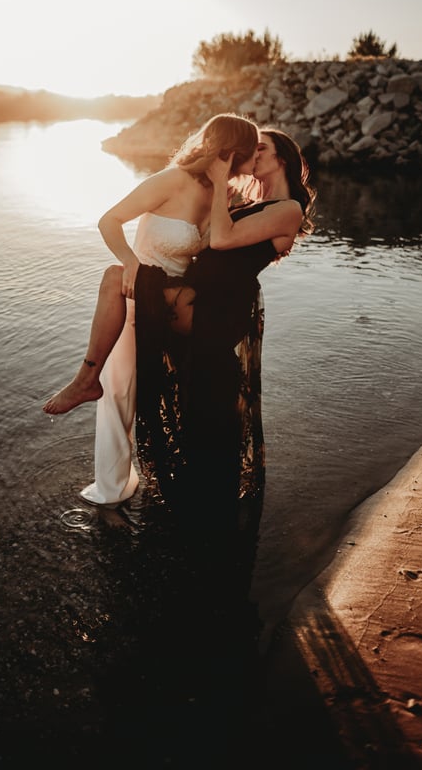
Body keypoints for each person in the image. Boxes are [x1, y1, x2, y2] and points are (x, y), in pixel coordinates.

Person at [42, 113, 261, 506]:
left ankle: (181, 478)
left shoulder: (224, 196)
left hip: (172, 303)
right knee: (118, 389)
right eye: (250, 152)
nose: (255, 160)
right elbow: (109, 221)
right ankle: (111, 490)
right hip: (133, 294)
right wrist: (129, 261)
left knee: (170, 394)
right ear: (232, 151)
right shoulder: (170, 180)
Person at [133, 127, 316, 524]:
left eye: (260, 150)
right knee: (197, 403)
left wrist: (218, 187)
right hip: (209, 310)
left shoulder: (288, 209)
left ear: (280, 158)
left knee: (210, 408)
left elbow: (221, 240)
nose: (251, 157)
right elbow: (206, 242)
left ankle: (212, 524)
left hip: (219, 317)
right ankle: (202, 513)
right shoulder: (251, 204)